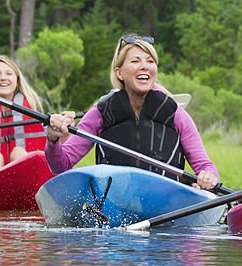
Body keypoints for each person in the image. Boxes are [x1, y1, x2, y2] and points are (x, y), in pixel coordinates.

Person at [45, 34, 220, 190]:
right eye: (135, 61)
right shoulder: (101, 112)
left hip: (164, 199)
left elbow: (205, 166)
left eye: (150, 61)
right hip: (114, 198)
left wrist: (208, 178)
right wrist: (53, 140)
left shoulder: (175, 114)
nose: (144, 66)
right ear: (119, 72)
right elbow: (62, 165)